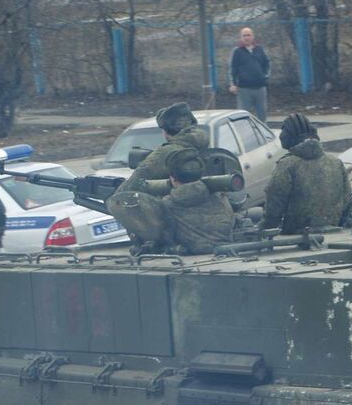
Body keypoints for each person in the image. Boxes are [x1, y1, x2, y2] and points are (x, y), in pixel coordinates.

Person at [107, 102, 211, 250]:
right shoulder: (203, 146)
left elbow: (125, 193)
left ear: (166, 131)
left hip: (180, 231)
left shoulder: (165, 153)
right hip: (206, 224)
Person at [262, 113, 350, 235]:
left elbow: (274, 208)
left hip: (296, 237)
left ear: (286, 139)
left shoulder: (286, 166)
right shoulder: (336, 163)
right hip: (333, 232)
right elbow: (346, 201)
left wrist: (264, 230)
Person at [156, 150, 235, 255]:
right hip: (226, 252)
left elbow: (164, 235)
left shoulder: (167, 204)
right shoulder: (219, 196)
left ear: (172, 178)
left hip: (190, 257)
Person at [228, 26, 270, 122]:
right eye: (244, 35)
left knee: (262, 113)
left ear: (253, 36)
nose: (246, 37)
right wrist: (233, 84)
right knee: (243, 115)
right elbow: (233, 68)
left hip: (260, 88)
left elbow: (267, 63)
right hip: (244, 89)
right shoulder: (237, 51)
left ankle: (263, 135)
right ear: (241, 38)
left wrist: (265, 76)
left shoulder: (260, 49)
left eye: (248, 35)